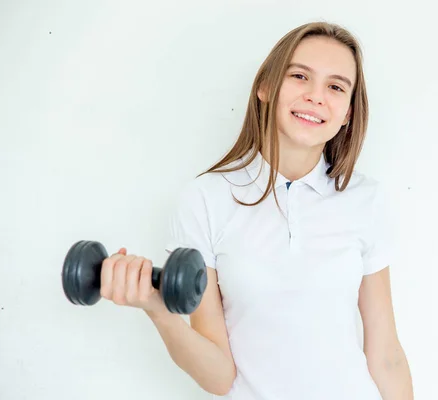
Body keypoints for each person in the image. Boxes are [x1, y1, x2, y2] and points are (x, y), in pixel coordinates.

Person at [99, 21, 414, 399]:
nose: (316, 96)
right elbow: (218, 377)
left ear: (347, 112)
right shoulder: (206, 199)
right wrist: (157, 308)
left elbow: (386, 356)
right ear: (266, 86)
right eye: (300, 76)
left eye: (335, 86)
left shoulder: (366, 200)